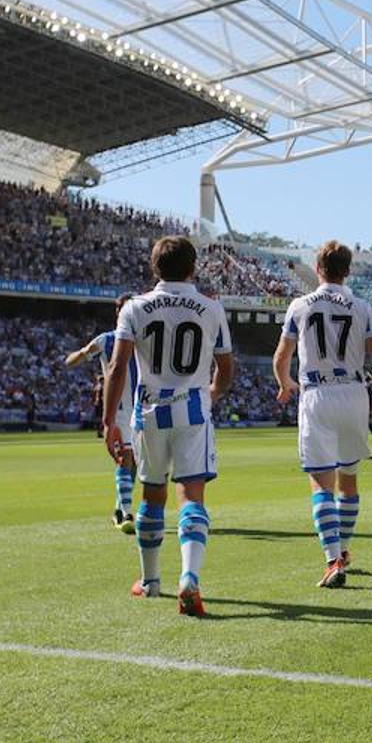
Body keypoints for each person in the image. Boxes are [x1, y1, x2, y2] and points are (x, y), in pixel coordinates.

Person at [102, 236, 235, 616]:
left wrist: (109, 421)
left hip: (149, 411)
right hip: (193, 408)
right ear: (193, 267)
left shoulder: (134, 308)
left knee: (152, 495)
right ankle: (190, 577)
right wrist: (211, 393)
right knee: (191, 496)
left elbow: (116, 367)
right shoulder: (211, 308)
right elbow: (225, 367)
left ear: (153, 267)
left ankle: (150, 581)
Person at [274, 240, 372, 588]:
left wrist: (285, 384)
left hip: (317, 394)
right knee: (349, 478)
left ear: (318, 269)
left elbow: (281, 358)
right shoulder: (361, 307)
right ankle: (344, 551)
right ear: (348, 271)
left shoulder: (300, 305)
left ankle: (332, 560)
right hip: (354, 394)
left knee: (320, 483)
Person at [66, 295, 139, 534]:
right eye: (122, 308)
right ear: (117, 313)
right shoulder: (106, 340)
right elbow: (75, 358)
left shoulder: (145, 339)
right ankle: (127, 513)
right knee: (124, 458)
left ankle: (119, 508)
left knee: (136, 464)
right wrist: (80, 355)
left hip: (140, 408)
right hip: (118, 410)